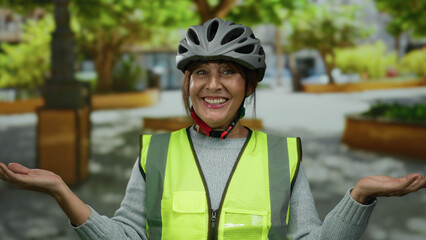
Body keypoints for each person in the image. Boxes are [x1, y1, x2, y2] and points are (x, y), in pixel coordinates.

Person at [0, 18, 425, 240]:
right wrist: (62, 191)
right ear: (187, 82)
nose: (213, 84)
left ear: (248, 86)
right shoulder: (157, 153)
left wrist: (360, 197)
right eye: (200, 72)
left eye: (228, 71)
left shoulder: (283, 155)